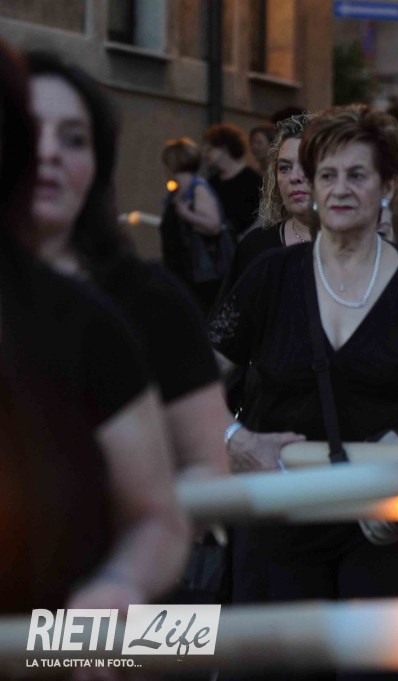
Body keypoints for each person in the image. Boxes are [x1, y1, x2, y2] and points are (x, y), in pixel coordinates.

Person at [209, 106, 398, 681]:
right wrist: (236, 438)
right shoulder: (270, 275)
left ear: (387, 186)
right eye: (326, 174)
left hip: (378, 519)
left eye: (357, 175)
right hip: (283, 511)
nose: (339, 189)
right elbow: (195, 382)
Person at [2, 42, 189, 613]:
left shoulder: (94, 319)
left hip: (57, 644)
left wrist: (118, 586)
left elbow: (158, 518)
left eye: (73, 139)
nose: (51, 156)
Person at [219, 113, 314, 298]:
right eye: (285, 168)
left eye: (306, 165)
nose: (294, 177)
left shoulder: (359, 247)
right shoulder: (256, 246)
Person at [159, 137, 230, 313]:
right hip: (180, 271)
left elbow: (213, 225)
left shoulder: (198, 189)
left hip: (200, 275)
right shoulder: (178, 191)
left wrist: (187, 214)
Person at [204, 122, 263, 239]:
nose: (205, 154)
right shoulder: (212, 182)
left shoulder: (252, 180)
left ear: (224, 148)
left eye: (210, 149)